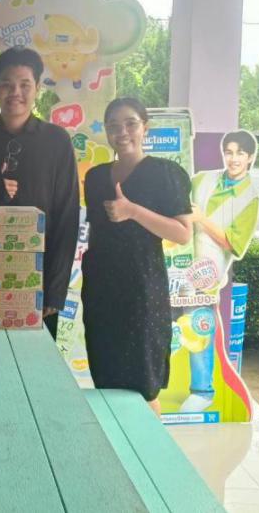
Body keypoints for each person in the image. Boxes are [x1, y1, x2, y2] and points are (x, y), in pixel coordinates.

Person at [0, 46, 80, 339]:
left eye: (24, 85)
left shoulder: (57, 141)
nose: (15, 93)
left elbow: (67, 217)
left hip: (37, 282)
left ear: (37, 88)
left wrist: (55, 291)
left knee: (33, 361)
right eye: (7, 84)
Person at [81, 98, 193, 414]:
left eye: (130, 123)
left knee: (143, 386)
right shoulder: (96, 177)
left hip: (142, 291)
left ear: (146, 128)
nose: (122, 132)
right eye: (114, 126)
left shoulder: (166, 173)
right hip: (101, 291)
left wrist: (132, 211)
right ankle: (116, 442)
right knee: (106, 379)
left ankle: (148, 445)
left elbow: (182, 233)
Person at [179, 130, 259, 413]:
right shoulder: (203, 178)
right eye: (229, 152)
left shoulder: (250, 198)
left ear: (250, 157)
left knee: (199, 323)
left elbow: (233, 243)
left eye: (240, 153)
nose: (233, 159)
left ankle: (203, 391)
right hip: (178, 259)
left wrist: (202, 219)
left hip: (207, 271)